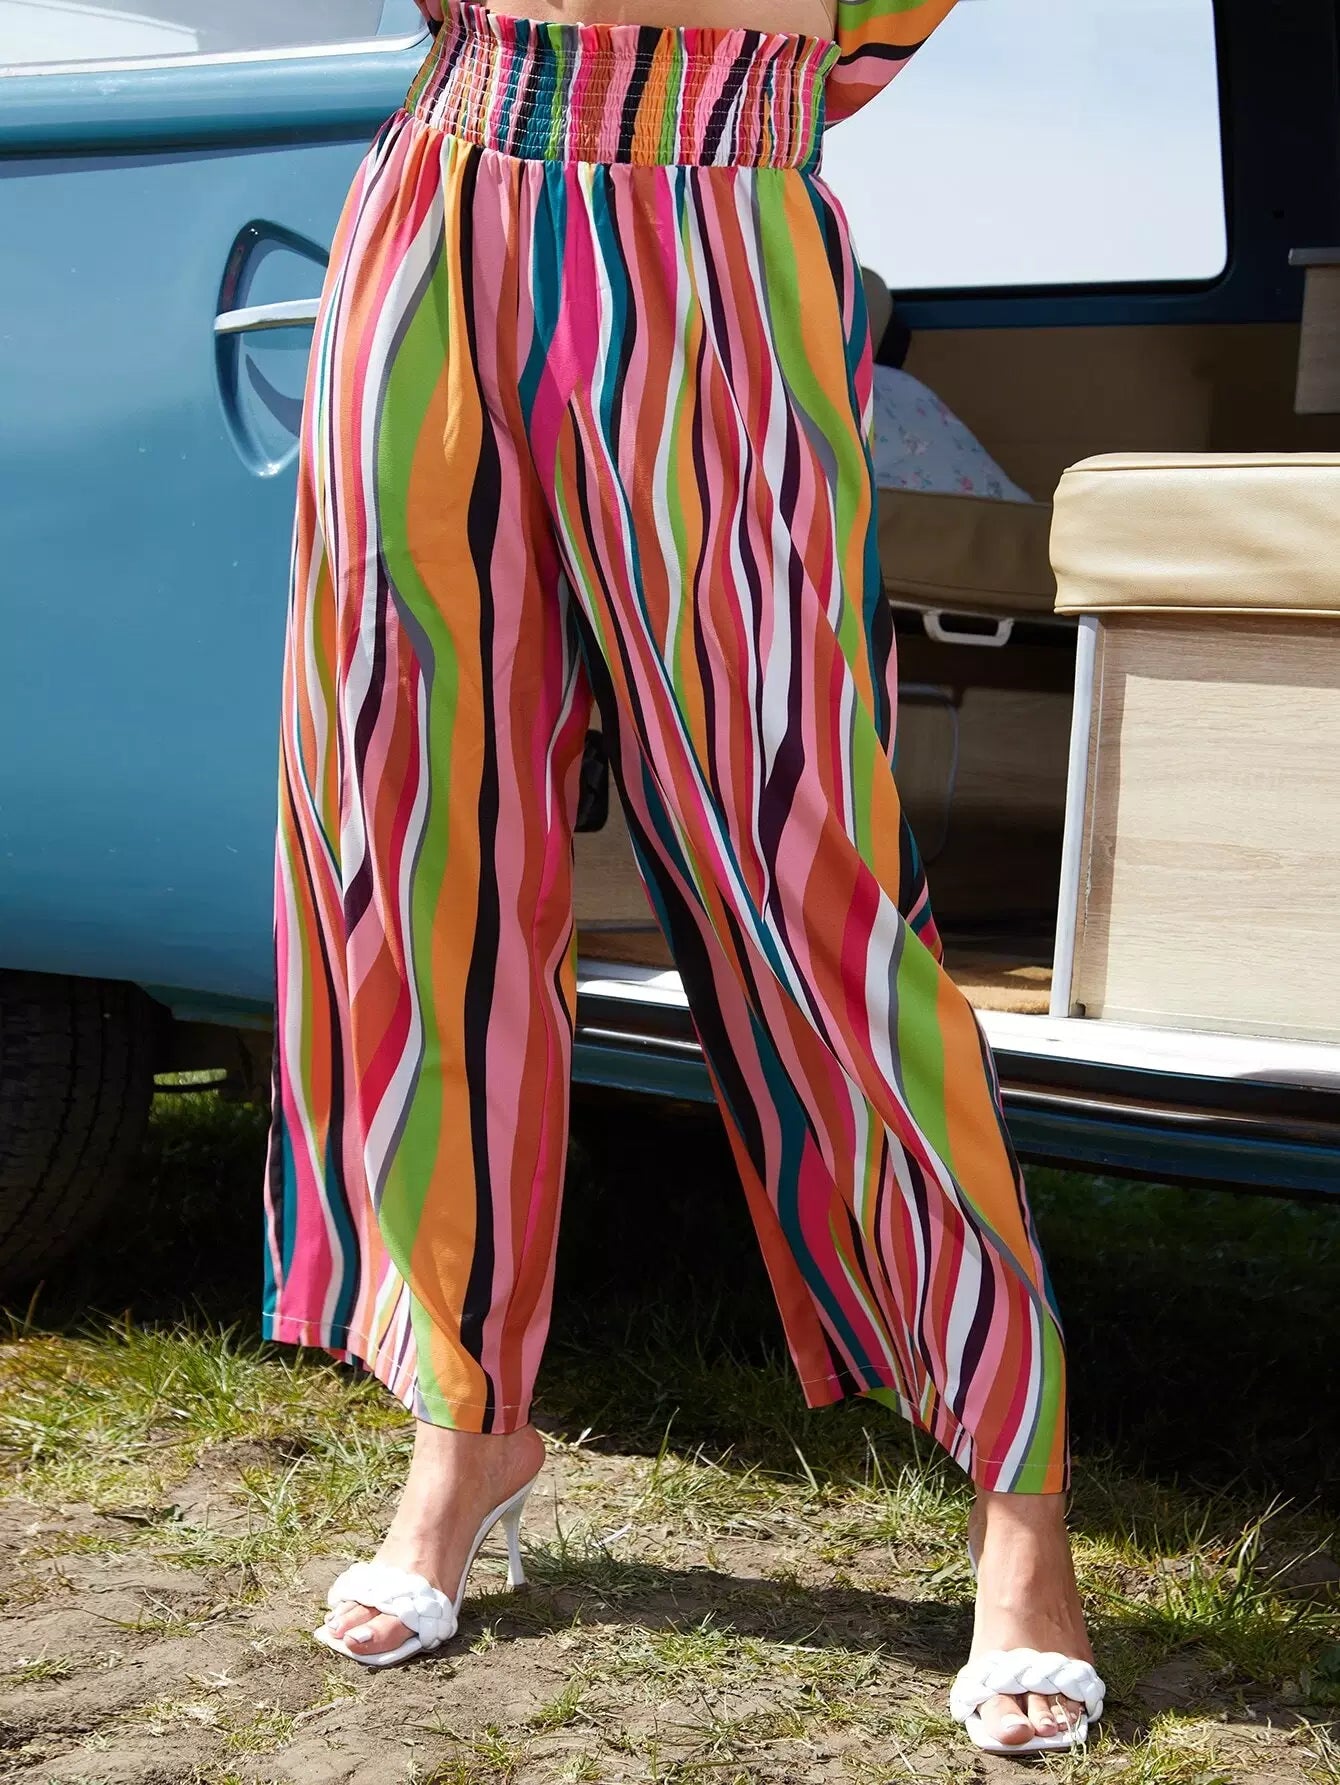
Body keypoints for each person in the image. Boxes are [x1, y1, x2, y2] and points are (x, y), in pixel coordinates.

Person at [262, 0, 1101, 1754]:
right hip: (442, 200)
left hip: (723, 223)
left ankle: (1020, 1495)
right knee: (412, 850)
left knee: (809, 867)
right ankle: (462, 1424)